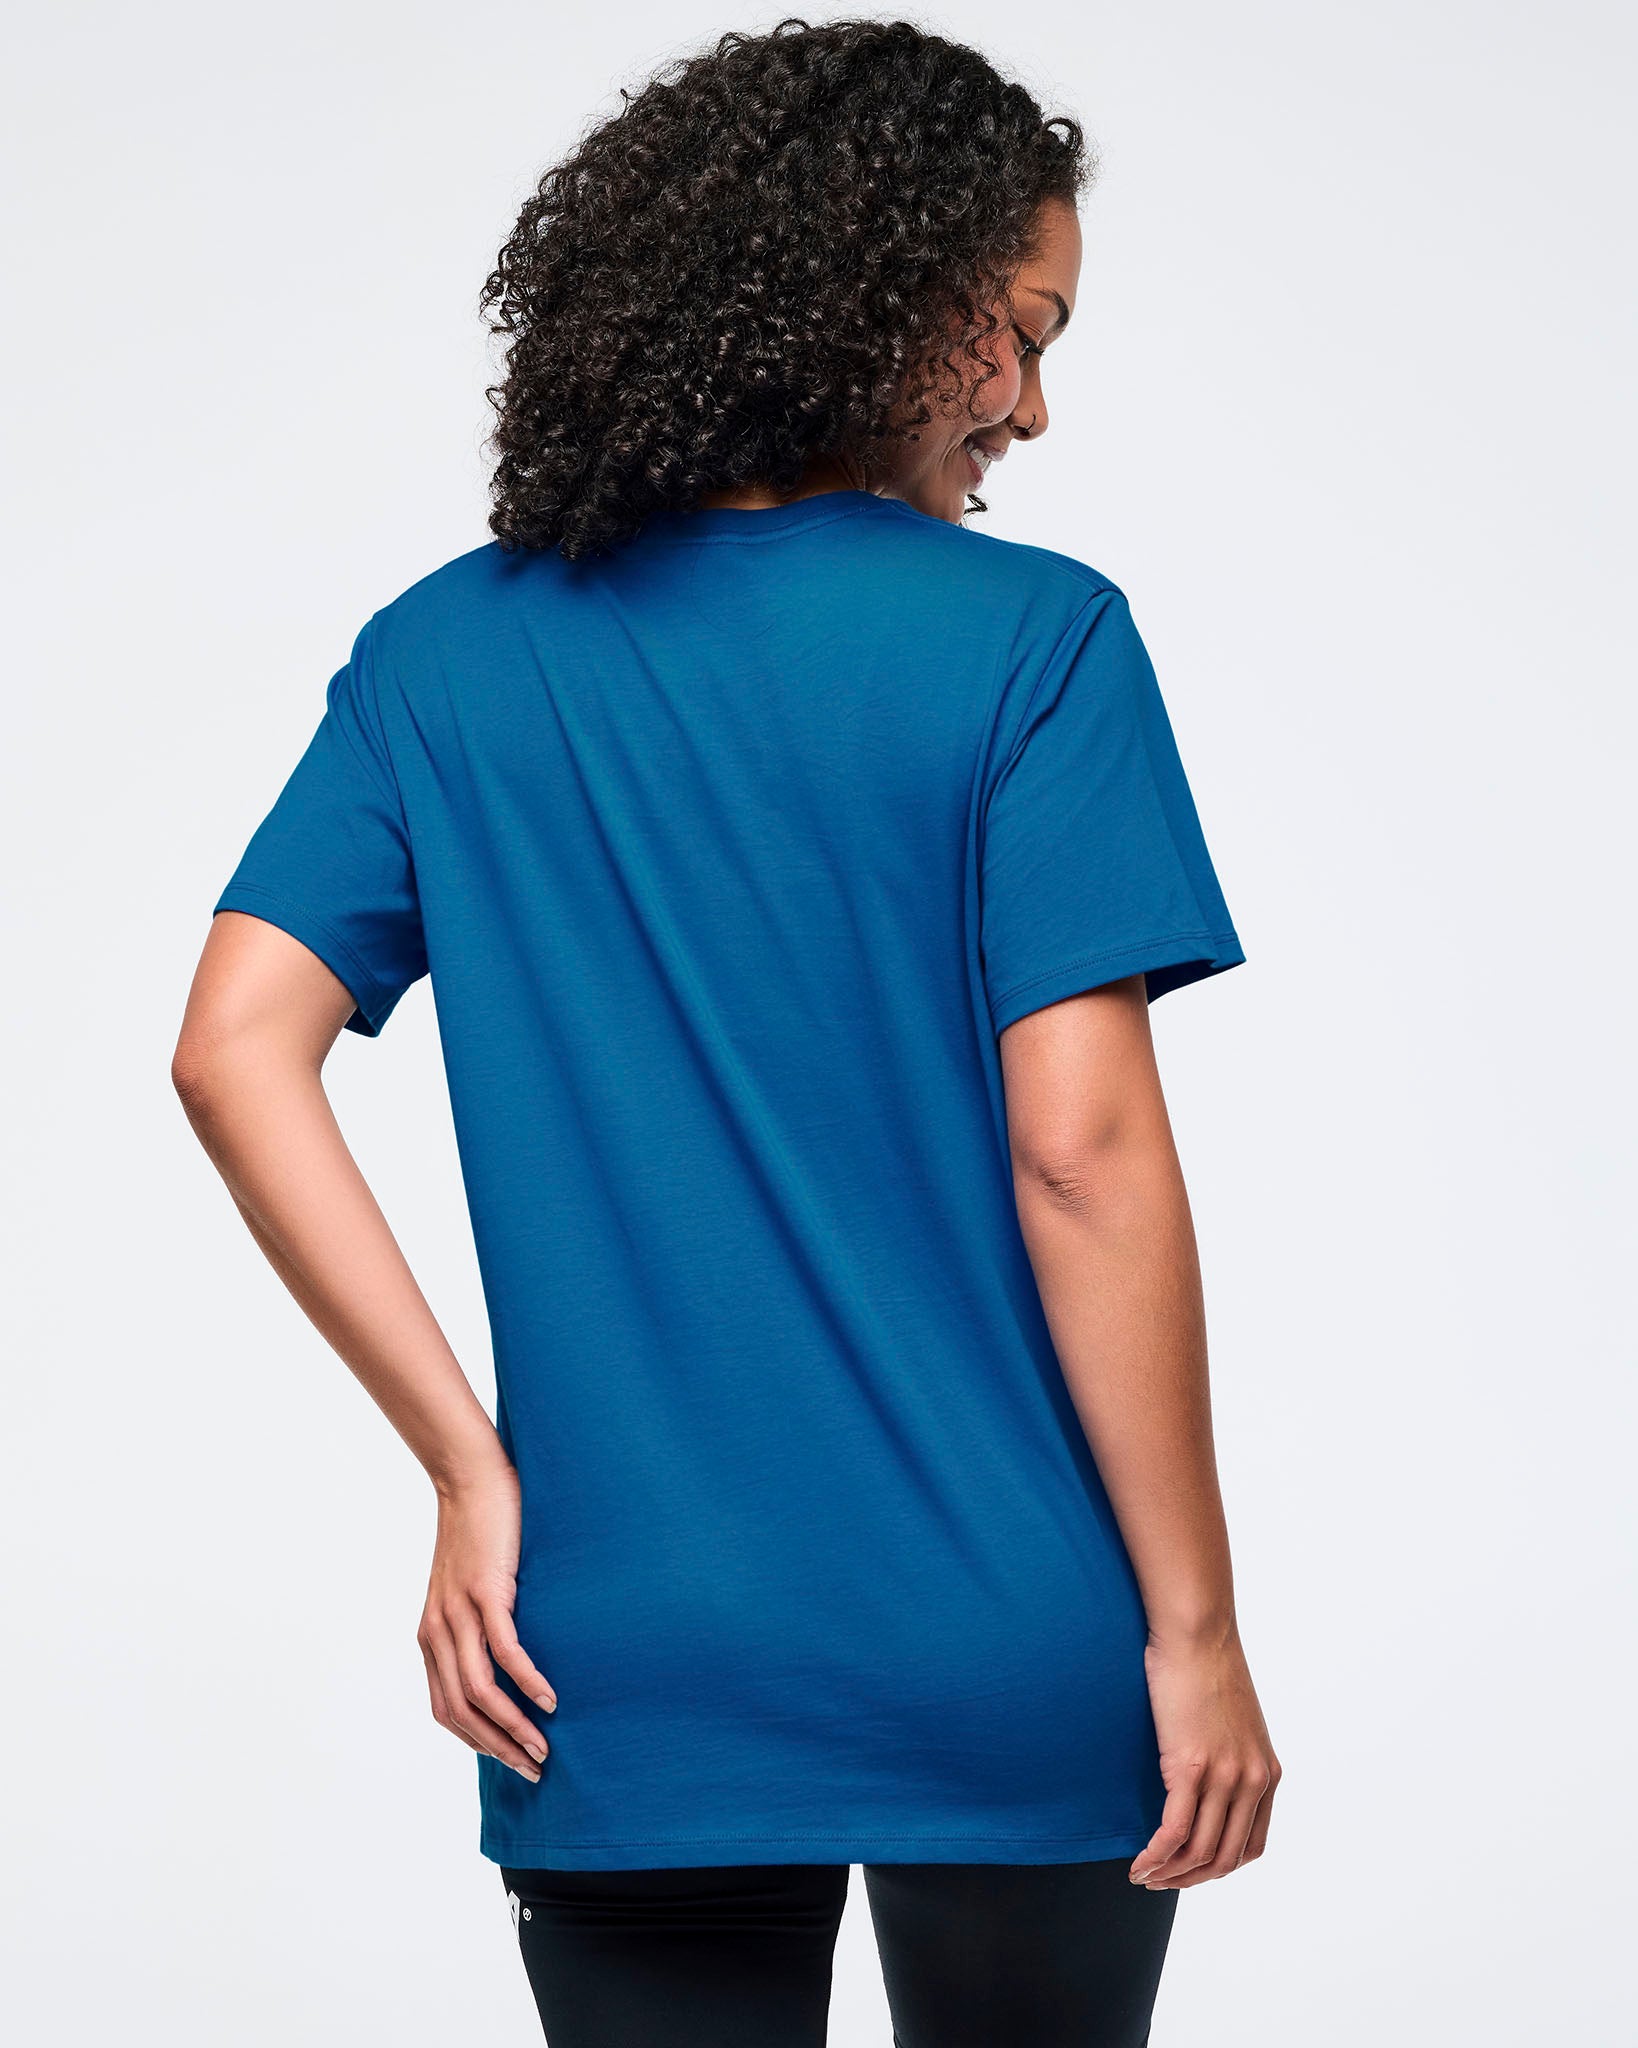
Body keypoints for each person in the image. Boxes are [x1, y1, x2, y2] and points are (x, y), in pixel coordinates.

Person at [173, 18, 1279, 2046]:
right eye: (1020, 336)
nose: (1032, 409)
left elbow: (232, 1046)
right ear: (887, 296)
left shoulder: (444, 656)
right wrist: (1195, 1632)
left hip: (616, 1646)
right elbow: (1084, 1157)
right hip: (1005, 1622)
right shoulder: (1034, 643)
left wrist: (468, 1469)